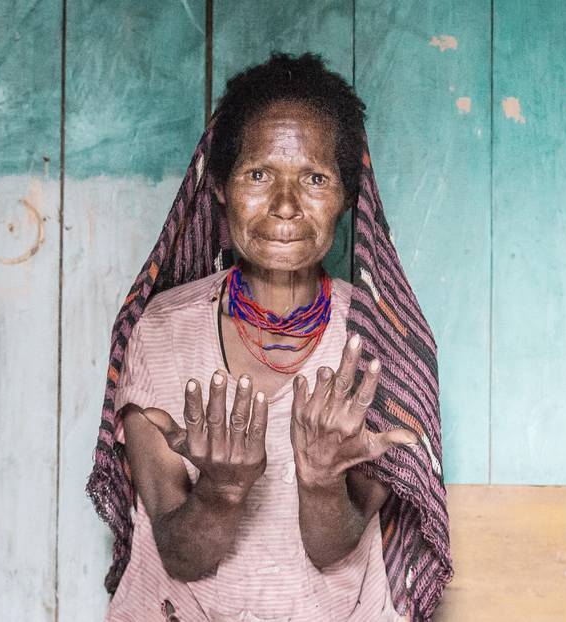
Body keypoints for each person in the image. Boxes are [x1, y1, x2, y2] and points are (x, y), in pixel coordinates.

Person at [88, 53, 453, 622]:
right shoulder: (163, 330)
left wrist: (321, 480)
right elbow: (180, 557)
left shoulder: (382, 341)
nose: (285, 206)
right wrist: (222, 492)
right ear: (220, 189)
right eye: (259, 175)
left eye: (314, 178)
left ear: (348, 196)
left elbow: (335, 552)